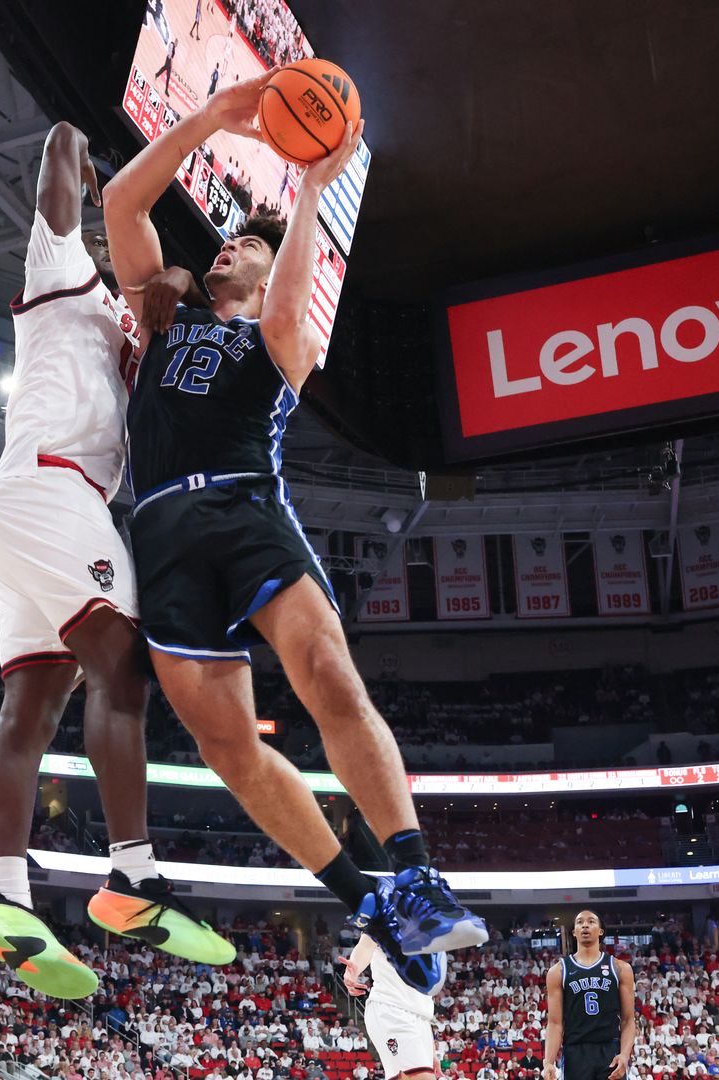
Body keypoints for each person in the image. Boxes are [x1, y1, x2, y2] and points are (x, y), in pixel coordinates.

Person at [102, 74, 483, 993]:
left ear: (273, 271)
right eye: (227, 242)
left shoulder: (286, 334)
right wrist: (207, 119)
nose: (226, 248)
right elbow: (121, 199)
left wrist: (313, 186)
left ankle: (417, 874)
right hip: (159, 527)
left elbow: (287, 309)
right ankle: (368, 904)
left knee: (329, 682)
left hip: (245, 505)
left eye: (243, 246)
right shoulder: (166, 314)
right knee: (225, 745)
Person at [0, 119, 234, 999]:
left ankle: (4, 893)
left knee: (33, 702)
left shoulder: (140, 345)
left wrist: (178, 287)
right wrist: (101, 158)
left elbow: (175, 301)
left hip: (31, 507)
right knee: (122, 670)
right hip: (50, 490)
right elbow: (60, 143)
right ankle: (130, 875)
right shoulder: (61, 272)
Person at [542, 911, 636, 1080]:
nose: (585, 925)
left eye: (591, 921)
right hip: (575, 1052)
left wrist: (624, 1054)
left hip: (610, 1050)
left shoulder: (620, 968)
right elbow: (555, 1023)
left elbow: (628, 1019)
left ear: (600, 931)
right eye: (579, 922)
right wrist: (548, 1061)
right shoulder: (558, 971)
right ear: (574, 932)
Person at [344, 935, 437, 1079]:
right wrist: (352, 971)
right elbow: (366, 946)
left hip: (421, 1018)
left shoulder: (433, 923)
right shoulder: (386, 914)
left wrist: (430, 1051)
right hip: (391, 1008)